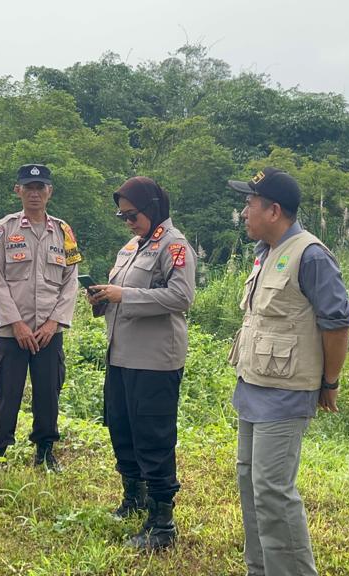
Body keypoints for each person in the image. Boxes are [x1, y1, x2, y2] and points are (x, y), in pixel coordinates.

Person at [227, 168, 349, 576]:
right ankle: (259, 569)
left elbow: (337, 322)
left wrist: (329, 382)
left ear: (274, 210)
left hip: (285, 393)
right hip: (254, 387)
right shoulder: (266, 251)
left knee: (273, 491)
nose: (244, 211)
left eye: (250, 203)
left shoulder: (310, 254)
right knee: (251, 484)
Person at [87, 176, 196, 550]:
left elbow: (181, 297)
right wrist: (103, 298)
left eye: (132, 214)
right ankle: (132, 498)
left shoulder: (174, 245)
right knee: (122, 428)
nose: (128, 221)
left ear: (152, 207)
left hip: (154, 360)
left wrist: (124, 294)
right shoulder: (133, 245)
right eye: (122, 215)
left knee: (153, 438)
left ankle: (161, 521)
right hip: (121, 354)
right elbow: (124, 295)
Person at [0, 163, 79, 472]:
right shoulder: (4, 228)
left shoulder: (63, 231)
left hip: (48, 332)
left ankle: (45, 450)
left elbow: (70, 279)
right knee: (7, 391)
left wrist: (54, 322)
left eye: (41, 188)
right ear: (18, 191)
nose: (35, 193)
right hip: (13, 331)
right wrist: (16, 323)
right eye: (29, 188)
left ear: (49, 191)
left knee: (48, 392)